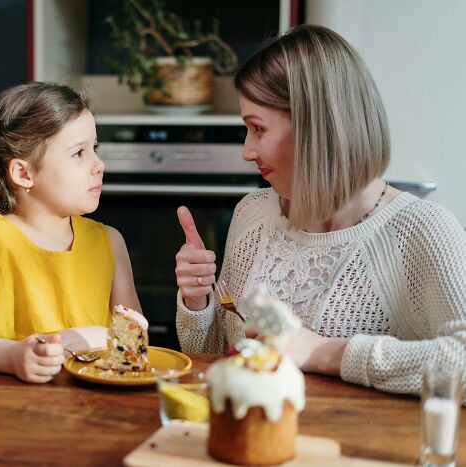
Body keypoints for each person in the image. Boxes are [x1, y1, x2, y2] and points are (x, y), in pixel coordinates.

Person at [174, 25, 466, 399]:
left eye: (257, 129)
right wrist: (197, 302)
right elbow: (216, 360)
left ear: (316, 128)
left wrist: (325, 353)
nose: (247, 151)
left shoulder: (423, 231)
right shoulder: (252, 214)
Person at [0, 82, 140, 383]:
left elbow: (135, 338)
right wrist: (12, 356)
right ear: (24, 173)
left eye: (94, 149)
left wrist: (92, 336)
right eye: (78, 153)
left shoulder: (110, 242)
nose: (98, 164)